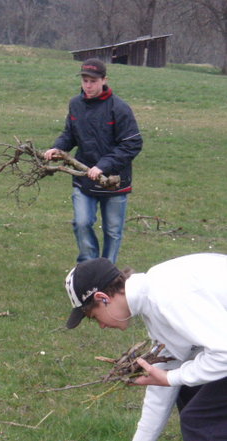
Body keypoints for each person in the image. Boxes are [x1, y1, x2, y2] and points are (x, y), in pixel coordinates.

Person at [63, 254, 227, 441]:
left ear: (103, 298)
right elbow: (162, 382)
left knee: (200, 422)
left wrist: (172, 377)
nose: (101, 325)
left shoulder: (167, 296)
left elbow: (223, 354)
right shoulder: (153, 300)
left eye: (94, 316)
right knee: (189, 391)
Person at [44, 58, 142, 264]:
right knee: (81, 223)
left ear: (104, 80)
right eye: (85, 81)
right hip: (84, 179)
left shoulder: (119, 108)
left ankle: (107, 273)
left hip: (115, 181)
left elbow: (132, 144)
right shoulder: (75, 104)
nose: (88, 86)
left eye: (93, 81)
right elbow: (70, 134)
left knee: (112, 232)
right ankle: (88, 266)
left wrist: (103, 166)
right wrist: (58, 148)